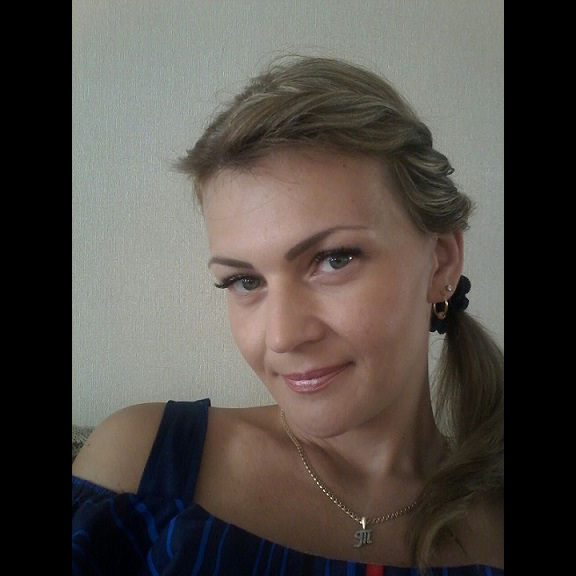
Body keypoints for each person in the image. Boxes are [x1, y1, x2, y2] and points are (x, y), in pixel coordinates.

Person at [72, 55, 504, 575]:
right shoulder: (142, 466)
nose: (281, 337)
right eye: (244, 281)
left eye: (334, 259)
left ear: (441, 262)